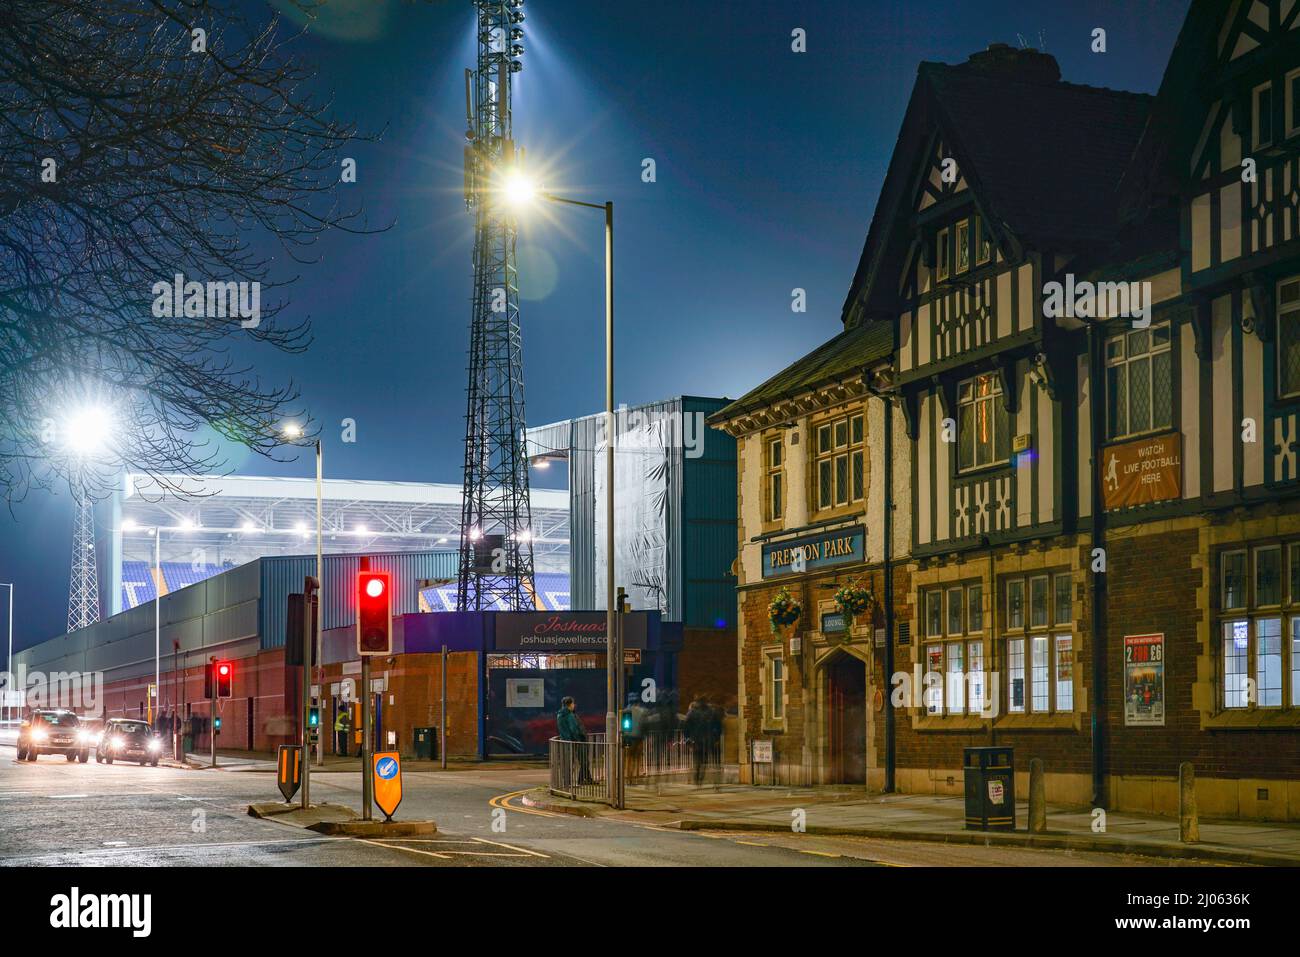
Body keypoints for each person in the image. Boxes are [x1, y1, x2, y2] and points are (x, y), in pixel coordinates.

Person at [556, 696, 591, 786]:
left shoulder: (559, 714)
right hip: (573, 741)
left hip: (565, 741)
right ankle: (574, 782)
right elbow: (574, 729)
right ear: (570, 704)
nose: (574, 705)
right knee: (578, 762)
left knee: (568, 762)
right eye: (573, 703)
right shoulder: (569, 715)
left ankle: (567, 782)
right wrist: (579, 739)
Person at [683, 696, 711, 786]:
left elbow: (685, 726)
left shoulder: (692, 712)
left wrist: (687, 738)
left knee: (697, 760)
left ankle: (696, 779)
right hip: (705, 739)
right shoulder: (708, 712)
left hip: (695, 739)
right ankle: (700, 779)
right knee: (704, 761)